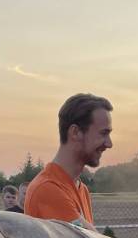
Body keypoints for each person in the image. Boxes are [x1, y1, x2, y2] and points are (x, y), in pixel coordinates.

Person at [24, 93, 112, 228]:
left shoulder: (81, 189)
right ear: (75, 132)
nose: (109, 144)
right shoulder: (47, 189)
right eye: (103, 133)